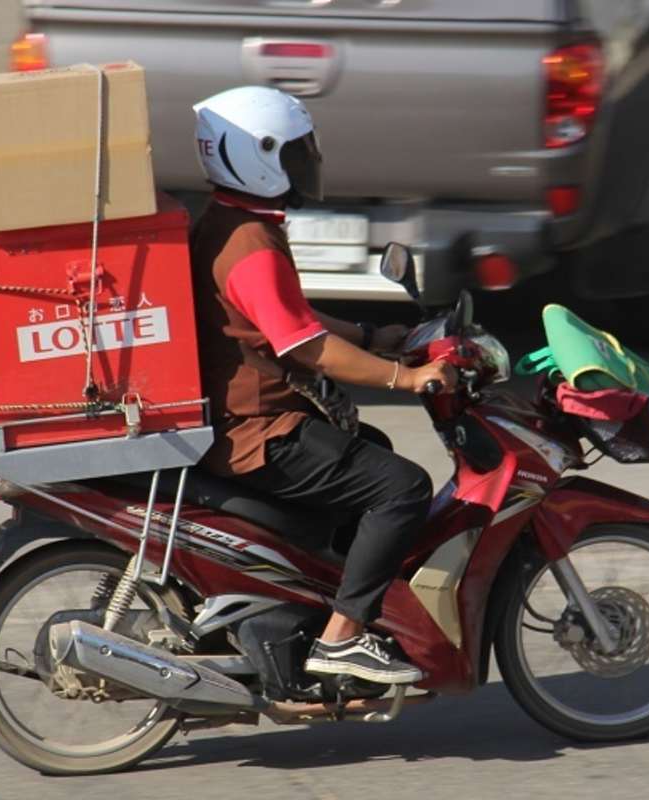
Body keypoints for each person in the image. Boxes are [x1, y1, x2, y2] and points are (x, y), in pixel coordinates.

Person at [189, 86, 458, 684]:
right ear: (255, 155)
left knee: (375, 452)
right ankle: (341, 638)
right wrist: (405, 376)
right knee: (404, 489)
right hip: (261, 433)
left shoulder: (233, 224)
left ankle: (317, 604)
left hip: (250, 422)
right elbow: (305, 347)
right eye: (295, 151)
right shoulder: (251, 246)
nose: (307, 162)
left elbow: (290, 318)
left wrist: (373, 333)